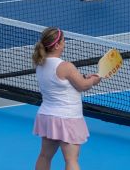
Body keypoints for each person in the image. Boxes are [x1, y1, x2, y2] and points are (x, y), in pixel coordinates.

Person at [32, 26, 102, 170]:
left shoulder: (40, 64)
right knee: (71, 160)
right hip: (67, 118)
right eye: (63, 41)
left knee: (45, 156)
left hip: (47, 117)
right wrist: (95, 79)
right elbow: (83, 85)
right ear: (57, 45)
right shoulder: (66, 66)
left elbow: (62, 83)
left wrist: (82, 78)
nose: (65, 43)